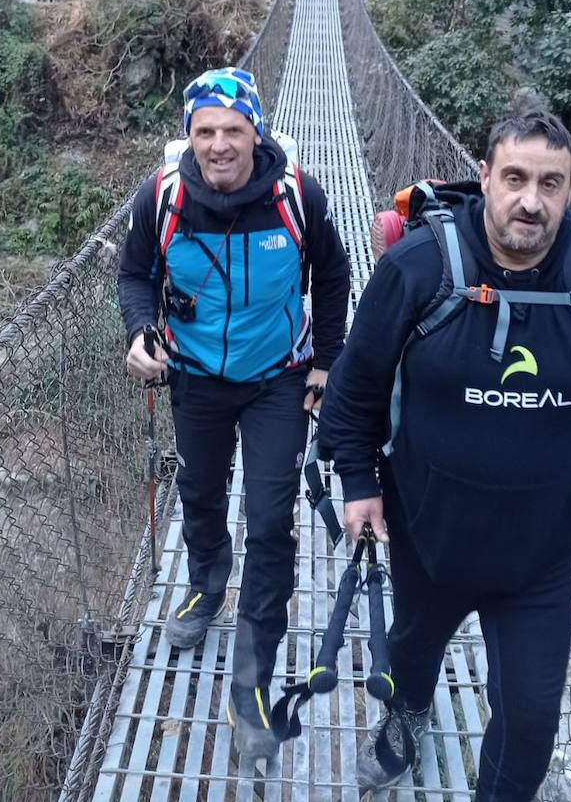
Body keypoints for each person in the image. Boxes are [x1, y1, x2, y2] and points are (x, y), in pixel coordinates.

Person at [317, 97, 571, 801]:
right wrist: (358, 481)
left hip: (535, 559)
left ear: (569, 187)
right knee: (409, 662)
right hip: (423, 536)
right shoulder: (418, 268)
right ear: (484, 176)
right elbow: (353, 386)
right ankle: (407, 714)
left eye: (549, 183)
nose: (529, 201)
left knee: (531, 724)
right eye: (514, 178)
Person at [119, 67, 350, 760]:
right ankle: (205, 583)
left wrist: (325, 361)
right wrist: (137, 331)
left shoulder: (295, 197)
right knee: (199, 492)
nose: (220, 145)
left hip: (277, 379)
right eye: (205, 132)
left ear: (256, 132)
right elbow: (134, 275)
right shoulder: (158, 199)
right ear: (189, 137)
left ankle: (251, 680)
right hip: (193, 377)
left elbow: (333, 274)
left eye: (233, 130)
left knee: (272, 520)